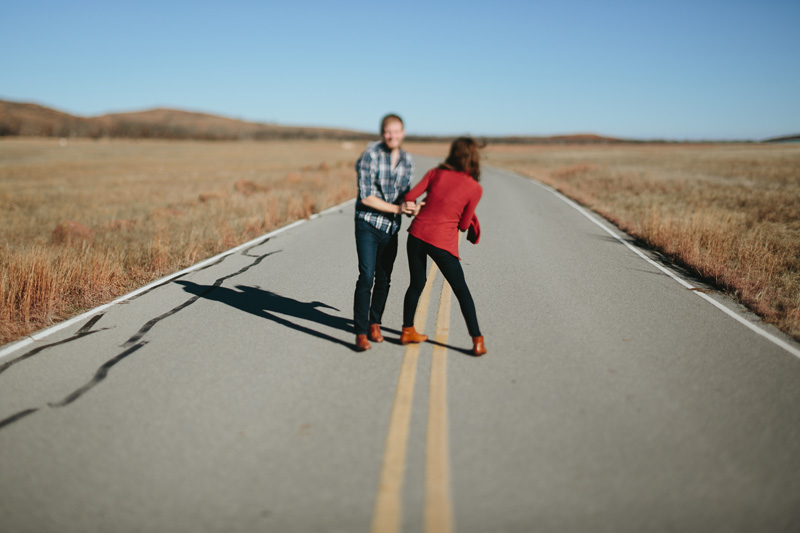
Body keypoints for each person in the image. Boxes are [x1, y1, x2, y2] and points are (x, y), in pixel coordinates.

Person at [400, 137, 487, 356]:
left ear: (453, 154)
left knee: (416, 284)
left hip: (416, 235)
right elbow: (464, 225)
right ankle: (477, 341)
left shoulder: (435, 173)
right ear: (474, 158)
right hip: (441, 242)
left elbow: (410, 197)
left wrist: (422, 207)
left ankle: (407, 331)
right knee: (461, 291)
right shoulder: (475, 188)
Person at [353, 114, 418, 352]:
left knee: (384, 279)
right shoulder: (370, 156)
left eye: (396, 131)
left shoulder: (408, 161)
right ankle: (360, 332)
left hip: (391, 227)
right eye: (388, 132)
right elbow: (366, 197)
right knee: (366, 277)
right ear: (383, 133)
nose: (392, 136)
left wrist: (412, 207)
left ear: (403, 132)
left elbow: (405, 194)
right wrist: (398, 208)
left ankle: (374, 323)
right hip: (368, 223)